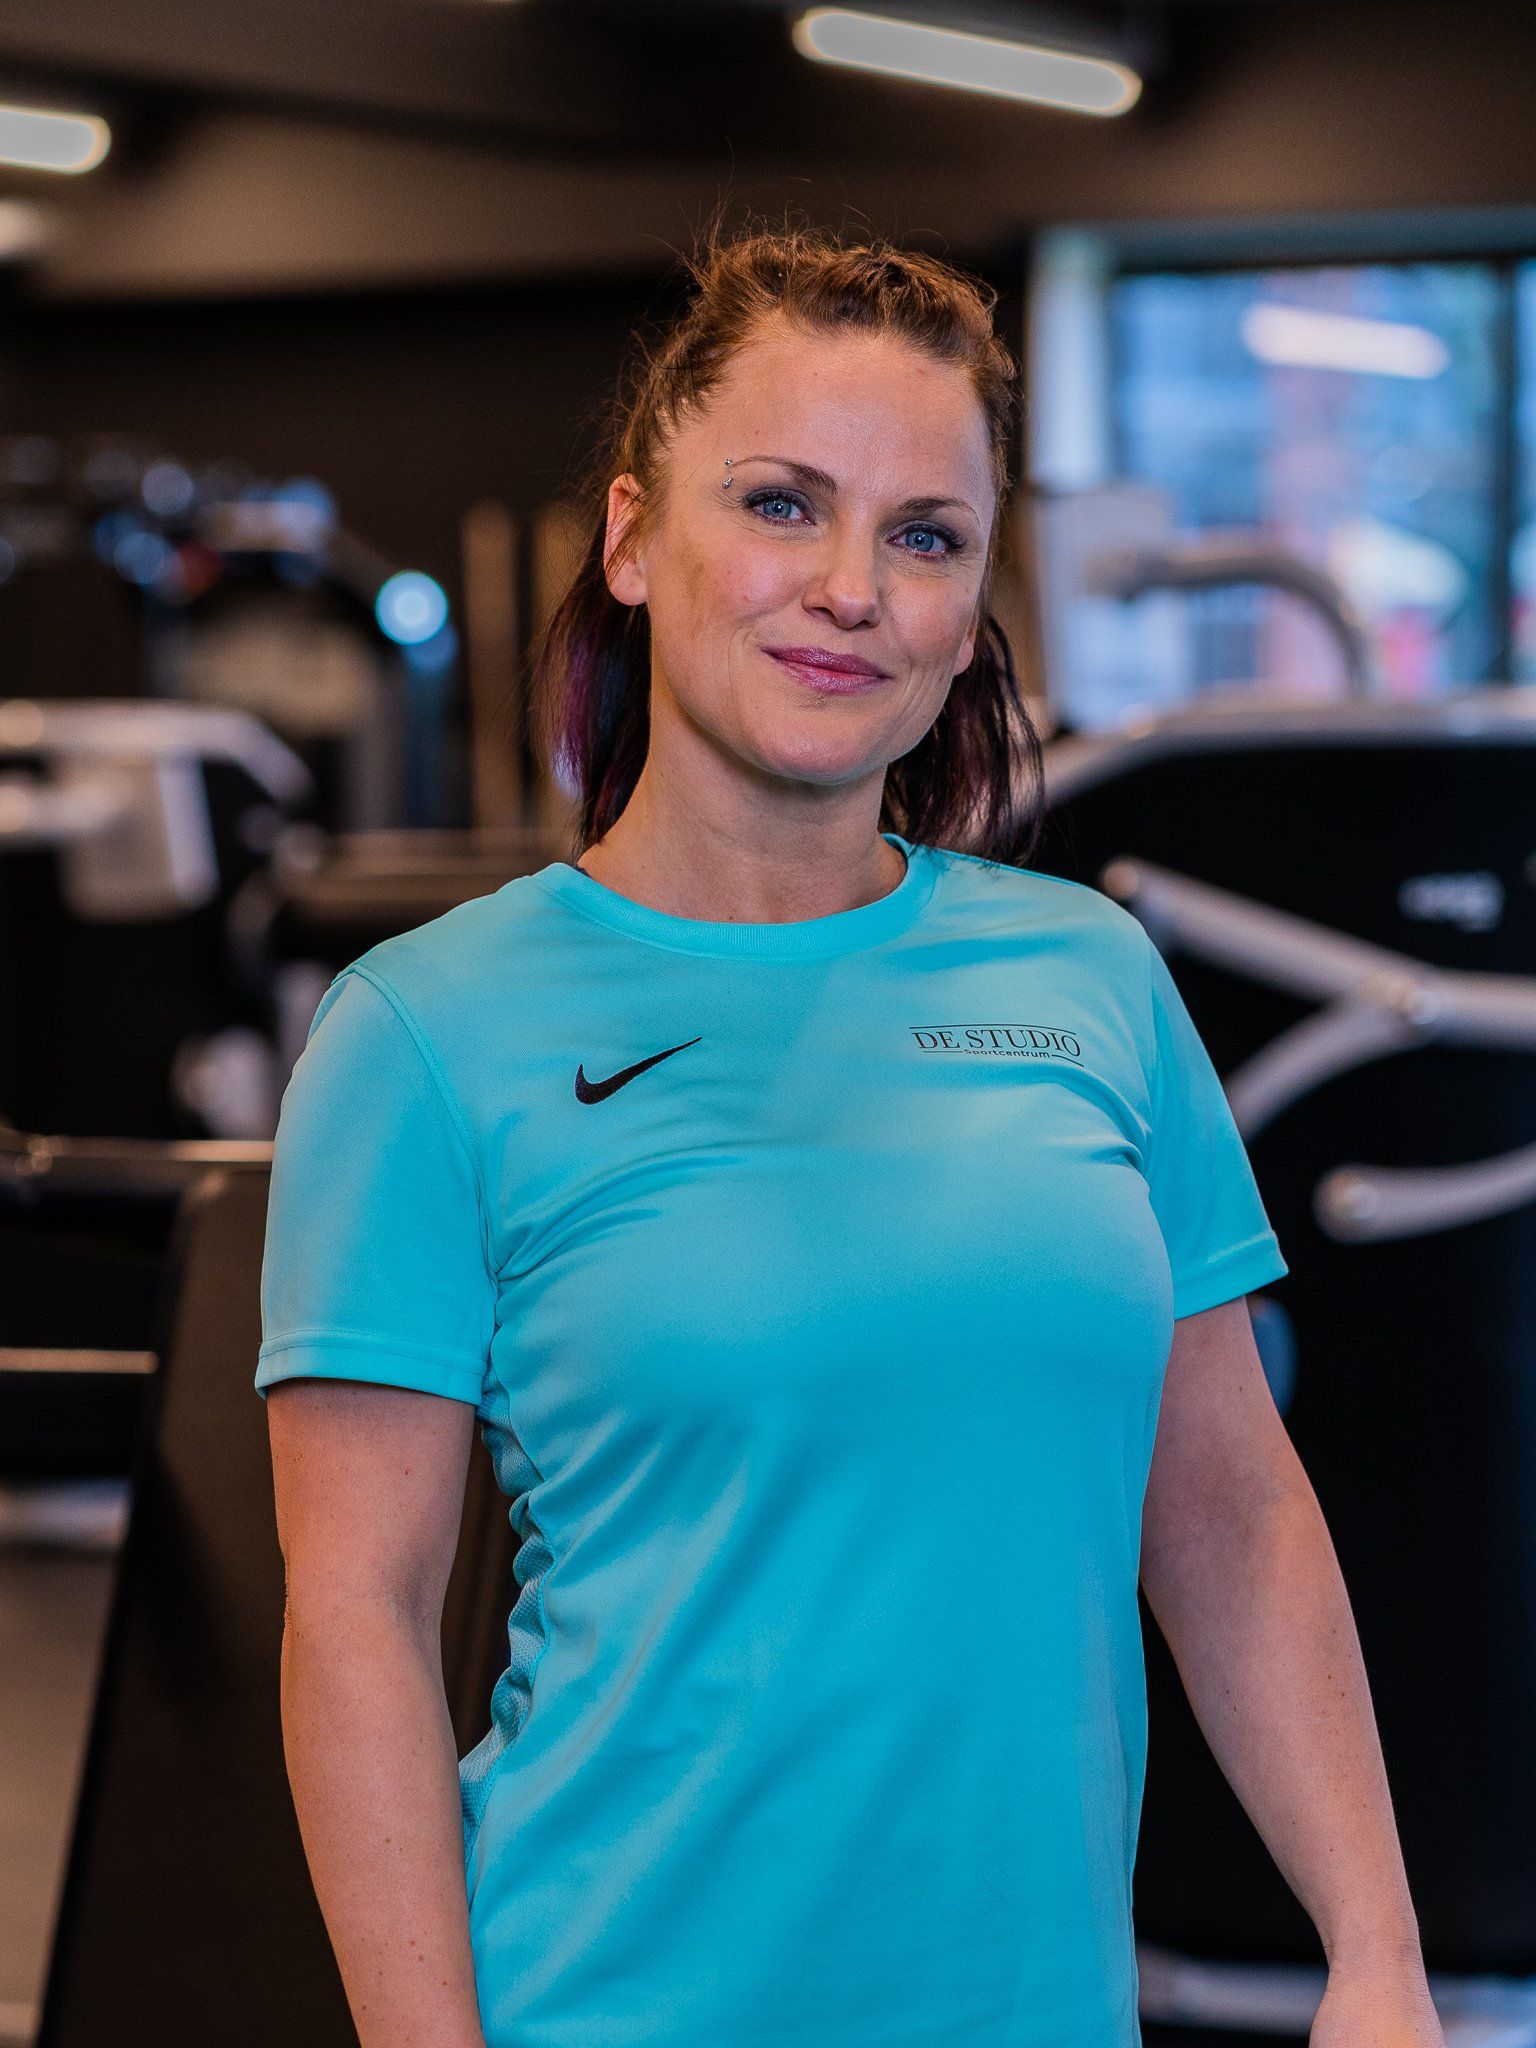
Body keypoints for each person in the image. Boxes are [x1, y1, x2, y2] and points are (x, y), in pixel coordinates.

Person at [256, 222, 1445, 2048]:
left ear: (976, 603)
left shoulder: (1092, 977)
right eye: (782, 505)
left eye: (923, 535)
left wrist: (1377, 1952)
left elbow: (1228, 1507)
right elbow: (356, 1618)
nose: (851, 588)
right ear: (638, 537)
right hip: (611, 2001)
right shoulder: (429, 1031)